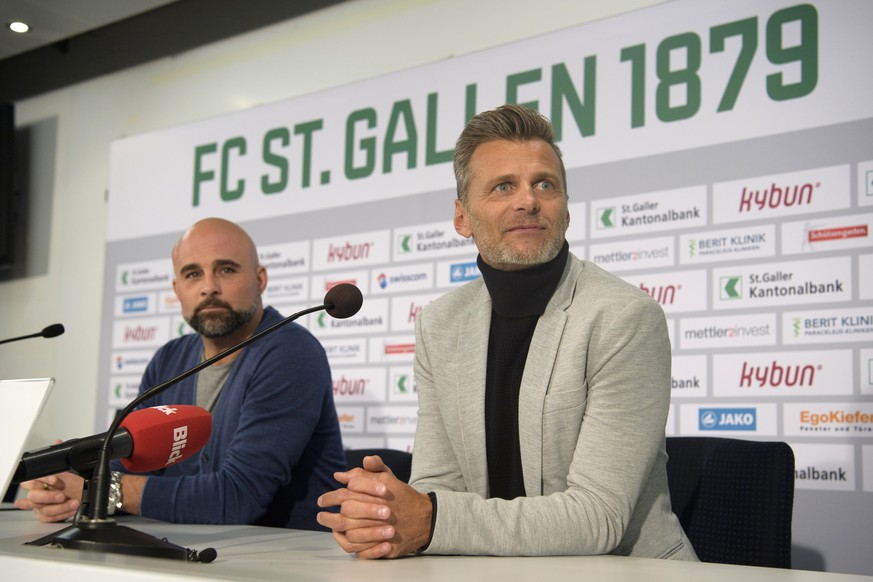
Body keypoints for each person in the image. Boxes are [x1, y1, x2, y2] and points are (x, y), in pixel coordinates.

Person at [316, 104, 698, 560]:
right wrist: (389, 516)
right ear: (462, 218)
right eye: (503, 186)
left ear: (566, 209)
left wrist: (429, 518)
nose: (528, 200)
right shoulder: (441, 323)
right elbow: (437, 484)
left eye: (544, 184)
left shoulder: (624, 317)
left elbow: (598, 517)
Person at [16, 217, 346, 530]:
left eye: (226, 269)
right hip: (188, 550)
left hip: (285, 560)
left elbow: (237, 498)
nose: (209, 288)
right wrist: (65, 491)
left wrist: (103, 489)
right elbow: (124, 461)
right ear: (177, 289)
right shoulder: (169, 359)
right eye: (192, 274)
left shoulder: (290, 353)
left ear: (260, 279)